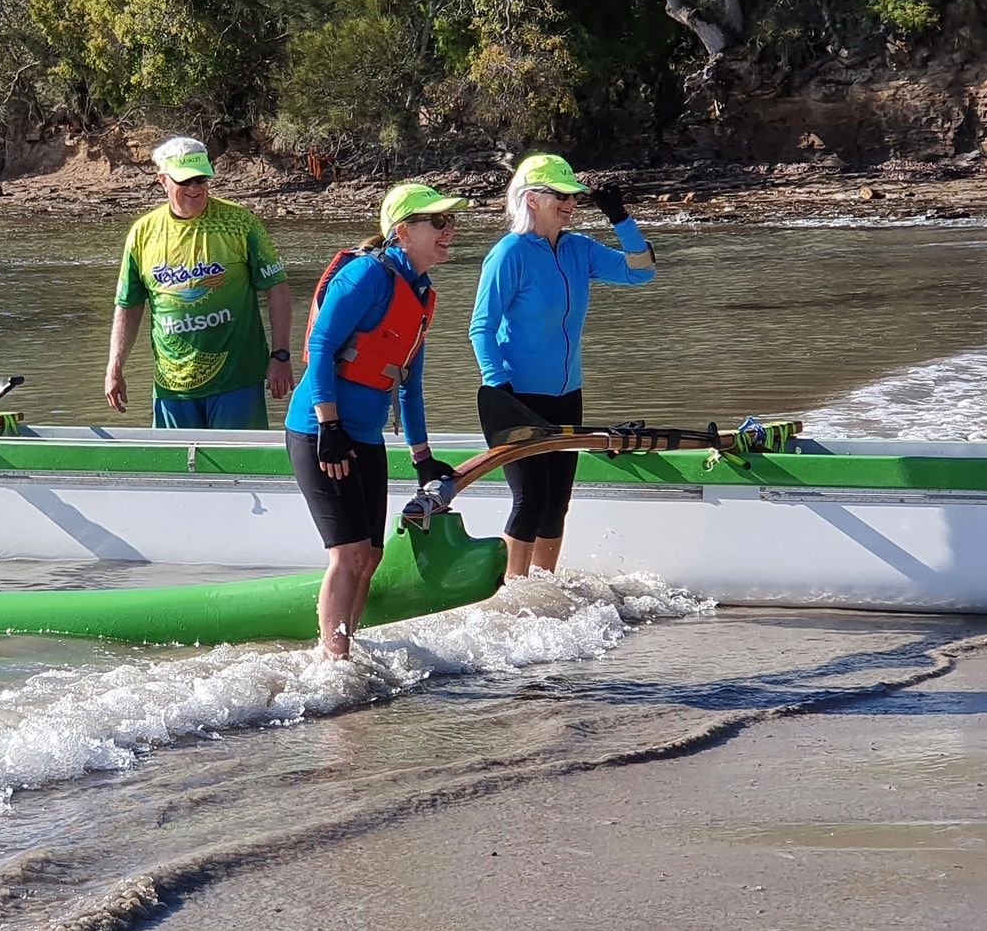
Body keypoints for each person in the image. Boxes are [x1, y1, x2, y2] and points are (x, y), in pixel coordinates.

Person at [286, 182, 467, 658]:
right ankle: (333, 661)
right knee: (347, 556)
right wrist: (328, 425)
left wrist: (423, 457)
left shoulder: (423, 294)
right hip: (319, 431)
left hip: (364, 435)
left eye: (452, 222)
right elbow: (321, 347)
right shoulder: (366, 275)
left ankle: (348, 648)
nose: (450, 231)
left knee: (371, 556)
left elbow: (410, 383)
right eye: (439, 222)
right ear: (403, 231)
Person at [469, 153, 657, 579]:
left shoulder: (578, 249)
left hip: (567, 393)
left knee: (557, 503)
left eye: (574, 196)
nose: (571, 203)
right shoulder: (509, 254)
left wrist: (620, 217)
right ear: (531, 199)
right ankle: (514, 595)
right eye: (561, 195)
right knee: (530, 499)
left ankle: (545, 587)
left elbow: (641, 273)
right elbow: (481, 327)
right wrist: (499, 388)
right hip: (518, 398)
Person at [106, 136, 293, 429]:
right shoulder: (143, 234)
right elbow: (128, 304)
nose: (195, 188)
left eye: (201, 179)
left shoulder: (240, 223)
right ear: (163, 181)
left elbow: (277, 289)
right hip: (172, 386)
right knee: (177, 473)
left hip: (237, 380)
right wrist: (114, 367)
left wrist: (281, 355)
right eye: (185, 181)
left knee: (236, 469)